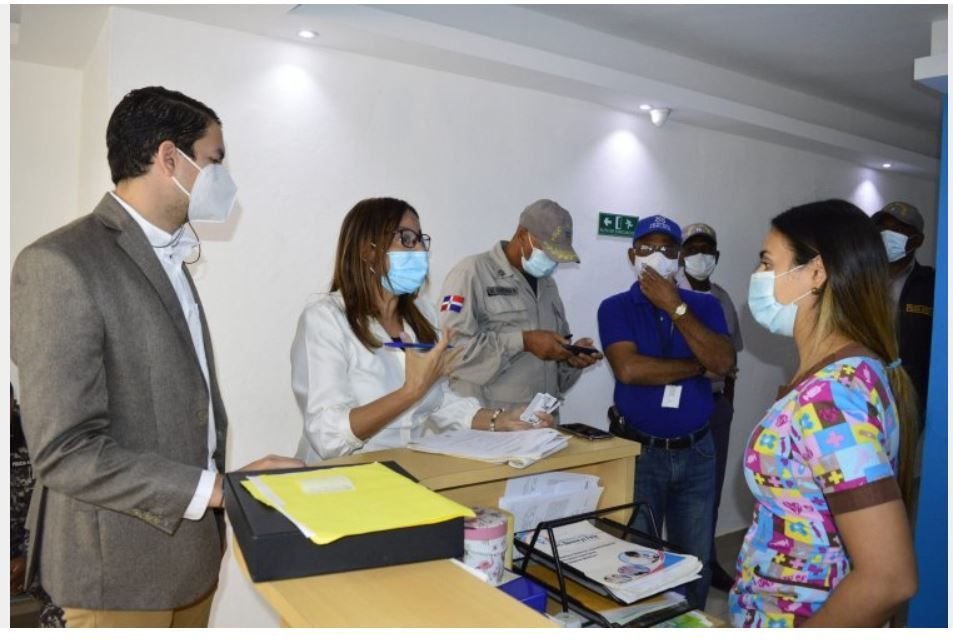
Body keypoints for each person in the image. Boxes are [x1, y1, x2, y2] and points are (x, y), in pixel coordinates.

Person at [10, 87, 302, 627]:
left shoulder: (172, 258)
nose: (224, 178)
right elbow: (65, 450)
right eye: (214, 160)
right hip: (117, 575)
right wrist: (220, 489)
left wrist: (223, 494)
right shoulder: (60, 263)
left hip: (191, 559)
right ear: (170, 159)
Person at [731, 199, 917, 627]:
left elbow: (889, 578)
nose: (758, 277)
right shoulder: (854, 372)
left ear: (816, 273)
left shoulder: (831, 397)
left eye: (766, 263)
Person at [291, 197, 551, 463]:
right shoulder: (326, 319)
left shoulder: (423, 314)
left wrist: (500, 419)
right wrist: (409, 392)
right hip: (340, 480)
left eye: (420, 240)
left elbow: (440, 401)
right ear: (366, 250)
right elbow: (327, 435)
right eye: (406, 239)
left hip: (405, 471)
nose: (419, 250)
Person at [597, 214, 735, 610]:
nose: (657, 256)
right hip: (640, 451)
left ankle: (690, 623)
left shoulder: (703, 305)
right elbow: (630, 369)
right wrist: (696, 367)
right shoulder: (615, 307)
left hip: (696, 450)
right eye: (647, 248)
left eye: (667, 249)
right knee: (638, 559)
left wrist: (675, 307)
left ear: (678, 258)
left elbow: (723, 361)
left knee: (694, 559)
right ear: (631, 254)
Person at [437, 199, 602, 413]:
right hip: (488, 424)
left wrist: (571, 360)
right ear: (522, 235)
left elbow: (552, 375)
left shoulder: (548, 285)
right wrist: (524, 341)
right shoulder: (471, 273)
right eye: (548, 252)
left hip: (541, 424)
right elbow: (453, 352)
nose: (552, 262)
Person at [676, 222, 744, 592]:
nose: (700, 256)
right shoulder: (669, 294)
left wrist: (727, 403)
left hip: (715, 404)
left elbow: (732, 356)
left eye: (707, 250)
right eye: (693, 249)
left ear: (716, 257)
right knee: (679, 486)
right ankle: (676, 564)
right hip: (679, 402)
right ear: (682, 255)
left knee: (711, 488)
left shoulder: (722, 298)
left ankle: (708, 560)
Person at [871, 201, 934, 425]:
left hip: (910, 396)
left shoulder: (932, 285)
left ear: (917, 240)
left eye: (898, 230)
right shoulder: (861, 279)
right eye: (882, 229)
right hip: (863, 387)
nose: (887, 235)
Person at [10, 384, 64, 627]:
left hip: (43, 559)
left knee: (65, 619)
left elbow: (59, 506)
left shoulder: (42, 439)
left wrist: (28, 557)